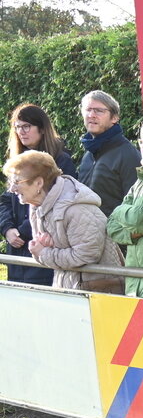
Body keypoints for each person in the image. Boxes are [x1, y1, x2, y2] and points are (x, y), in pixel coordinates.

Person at [3, 149, 122, 292]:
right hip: (70, 288)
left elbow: (86, 255)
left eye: (17, 181)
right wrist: (44, 250)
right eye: (11, 181)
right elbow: (43, 252)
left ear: (39, 183)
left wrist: (44, 252)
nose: (12, 189)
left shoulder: (77, 208)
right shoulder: (37, 205)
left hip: (99, 292)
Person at [1, 104, 78, 286]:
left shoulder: (60, 161)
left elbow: (57, 201)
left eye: (26, 126)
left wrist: (23, 231)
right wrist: (7, 229)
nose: (21, 132)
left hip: (45, 246)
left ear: (42, 128)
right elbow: (6, 198)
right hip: (17, 251)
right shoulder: (16, 161)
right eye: (17, 127)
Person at [105, 122, 143, 299]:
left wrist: (123, 215)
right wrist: (135, 233)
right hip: (134, 285)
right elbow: (112, 226)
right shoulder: (140, 181)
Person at [77, 90, 138, 214]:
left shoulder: (128, 155)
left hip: (113, 232)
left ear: (114, 118)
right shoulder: (88, 154)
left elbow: (136, 207)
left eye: (99, 111)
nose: (92, 115)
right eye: (88, 110)